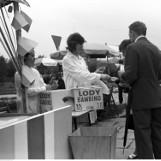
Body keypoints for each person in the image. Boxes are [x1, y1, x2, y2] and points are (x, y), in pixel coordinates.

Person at [119, 21, 161, 159]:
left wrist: (121, 75)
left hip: (141, 98)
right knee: (157, 133)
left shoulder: (133, 47)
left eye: (129, 34)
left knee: (143, 134)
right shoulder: (156, 49)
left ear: (132, 32)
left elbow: (131, 75)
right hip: (157, 97)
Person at [62, 32, 112, 123]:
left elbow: (86, 74)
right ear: (73, 44)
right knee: (79, 124)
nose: (82, 46)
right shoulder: (67, 59)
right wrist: (100, 76)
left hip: (86, 96)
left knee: (90, 122)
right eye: (80, 44)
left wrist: (96, 73)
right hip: (75, 96)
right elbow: (80, 75)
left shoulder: (81, 59)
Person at [15, 49, 53, 114]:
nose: (34, 58)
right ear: (25, 57)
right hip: (25, 108)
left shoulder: (35, 71)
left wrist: (50, 86)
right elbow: (28, 92)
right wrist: (45, 88)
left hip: (37, 107)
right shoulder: (20, 73)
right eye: (32, 56)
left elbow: (42, 84)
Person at [118, 39, 131, 104]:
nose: (123, 54)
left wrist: (122, 75)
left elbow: (131, 75)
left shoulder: (132, 59)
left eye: (123, 52)